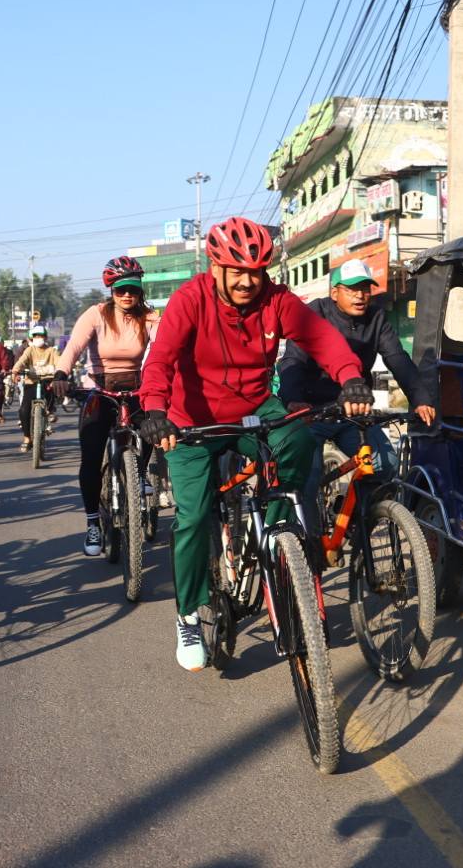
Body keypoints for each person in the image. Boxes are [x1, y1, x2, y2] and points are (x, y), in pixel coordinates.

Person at [136, 217, 369, 671]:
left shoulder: (277, 300)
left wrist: (352, 378)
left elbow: (322, 339)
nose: (247, 282)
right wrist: (155, 411)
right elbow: (161, 358)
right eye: (236, 271)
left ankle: (279, 543)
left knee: (298, 439)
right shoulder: (190, 299)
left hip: (254, 408)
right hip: (189, 421)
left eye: (257, 271)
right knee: (193, 516)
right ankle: (187, 614)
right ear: (215, 266)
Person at [277, 257, 436, 505]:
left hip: (353, 410)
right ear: (334, 292)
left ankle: (356, 519)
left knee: (386, 464)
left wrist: (420, 399)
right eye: (351, 289)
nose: (360, 296)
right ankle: (310, 540)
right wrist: (294, 401)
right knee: (308, 476)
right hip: (310, 412)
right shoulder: (314, 313)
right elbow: (292, 361)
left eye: (365, 288)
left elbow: (397, 358)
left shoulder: (377, 318)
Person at [52, 256, 153, 556]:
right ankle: (93, 522)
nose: (127, 296)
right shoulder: (95, 315)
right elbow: (73, 347)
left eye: (132, 290)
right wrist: (61, 373)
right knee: (91, 455)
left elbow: (163, 350)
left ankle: (141, 472)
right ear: (111, 289)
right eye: (121, 290)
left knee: (152, 424)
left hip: (136, 391)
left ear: (139, 291)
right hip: (100, 392)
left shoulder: (149, 317)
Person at [10, 325, 63, 452]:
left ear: (45, 338)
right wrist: (15, 371)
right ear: (32, 338)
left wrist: (60, 374)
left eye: (41, 336)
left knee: (51, 389)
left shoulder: (52, 351)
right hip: (31, 382)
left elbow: (60, 363)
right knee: (24, 410)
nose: (38, 338)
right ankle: (27, 438)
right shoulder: (29, 350)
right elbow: (21, 361)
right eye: (36, 336)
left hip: (47, 380)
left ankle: (50, 411)